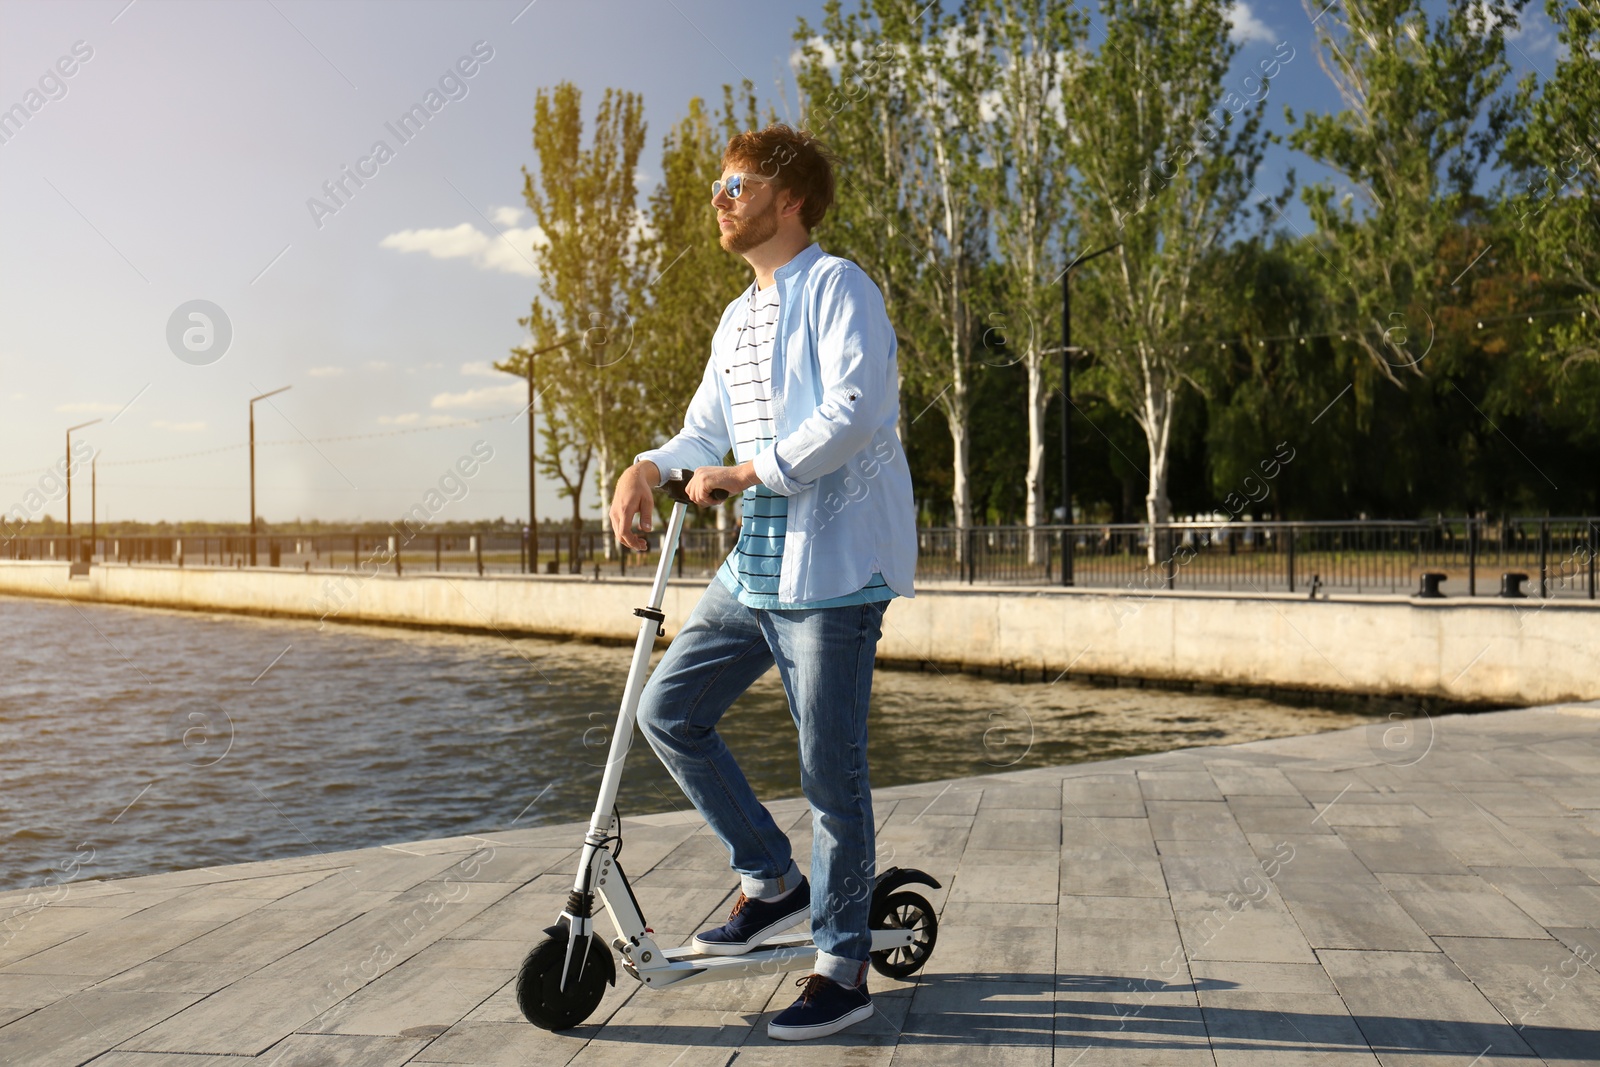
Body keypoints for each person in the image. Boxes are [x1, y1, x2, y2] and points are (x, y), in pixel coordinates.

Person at [608, 124, 916, 1041]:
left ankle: (843, 965)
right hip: (755, 568)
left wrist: (753, 472)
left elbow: (855, 408)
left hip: (834, 569)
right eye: (717, 183)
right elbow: (703, 431)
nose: (719, 197)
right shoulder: (737, 317)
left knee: (832, 771)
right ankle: (773, 878)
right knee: (668, 710)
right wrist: (648, 467)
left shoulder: (838, 286)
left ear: (790, 198)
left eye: (736, 183)